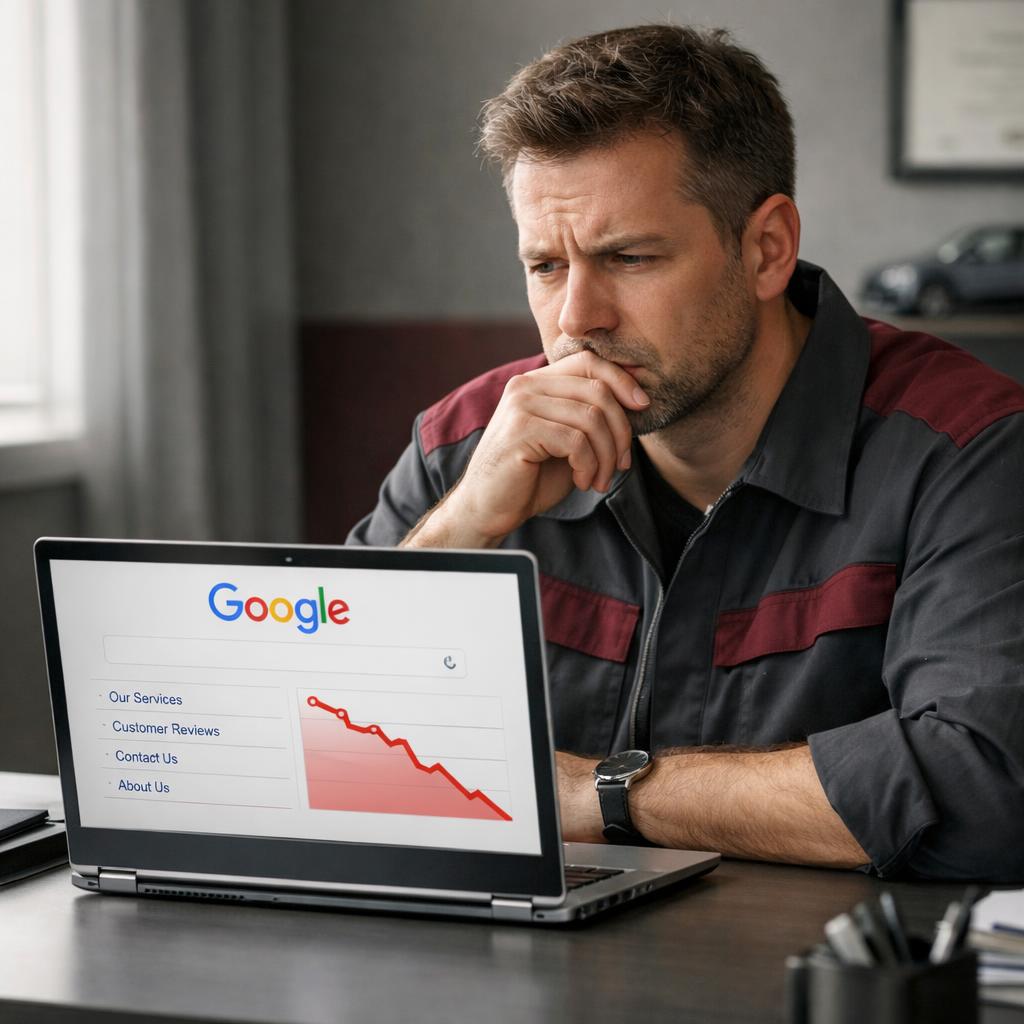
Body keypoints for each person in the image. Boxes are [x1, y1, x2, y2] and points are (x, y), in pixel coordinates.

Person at [348, 25, 1024, 879]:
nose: (575, 320)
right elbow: (313, 740)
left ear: (766, 248)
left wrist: (606, 794)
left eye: (627, 257)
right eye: (546, 266)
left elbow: (989, 788)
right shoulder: (468, 443)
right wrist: (461, 528)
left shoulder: (970, 451)